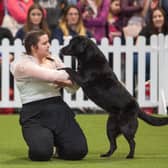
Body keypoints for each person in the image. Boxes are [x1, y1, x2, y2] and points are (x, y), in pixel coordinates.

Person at [10, 30, 88, 161]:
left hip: (58, 109)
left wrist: (69, 82)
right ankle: (44, 141)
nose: (49, 45)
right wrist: (71, 76)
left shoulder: (54, 59)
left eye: (48, 42)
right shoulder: (21, 65)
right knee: (41, 154)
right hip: (34, 114)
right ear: (33, 47)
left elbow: (74, 87)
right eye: (44, 43)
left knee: (78, 151)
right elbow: (51, 76)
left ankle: (57, 144)